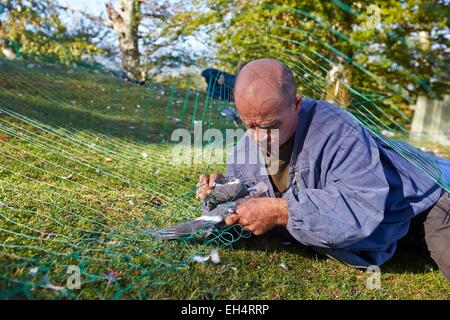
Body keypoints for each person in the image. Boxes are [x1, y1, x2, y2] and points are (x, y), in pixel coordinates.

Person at [196, 58, 450, 280]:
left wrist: (282, 211)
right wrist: (222, 190)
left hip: (426, 199)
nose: (259, 137)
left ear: (296, 104)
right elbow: (248, 195)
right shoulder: (248, 143)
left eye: (269, 125)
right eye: (249, 125)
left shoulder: (337, 128)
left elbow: (360, 204)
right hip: (382, 233)